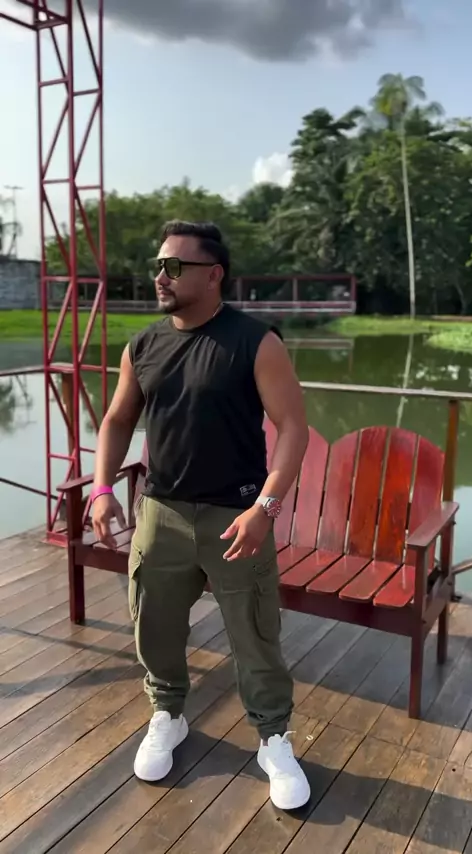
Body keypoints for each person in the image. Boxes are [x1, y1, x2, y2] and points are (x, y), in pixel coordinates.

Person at [91, 220, 311, 811]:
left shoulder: (255, 341)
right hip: (161, 513)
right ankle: (168, 713)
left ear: (213, 275)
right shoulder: (143, 346)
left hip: (237, 516)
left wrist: (265, 508)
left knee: (254, 632)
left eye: (174, 267)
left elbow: (293, 427)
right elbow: (117, 420)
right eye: (158, 266)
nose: (160, 277)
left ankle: (273, 738)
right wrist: (102, 488)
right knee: (154, 623)